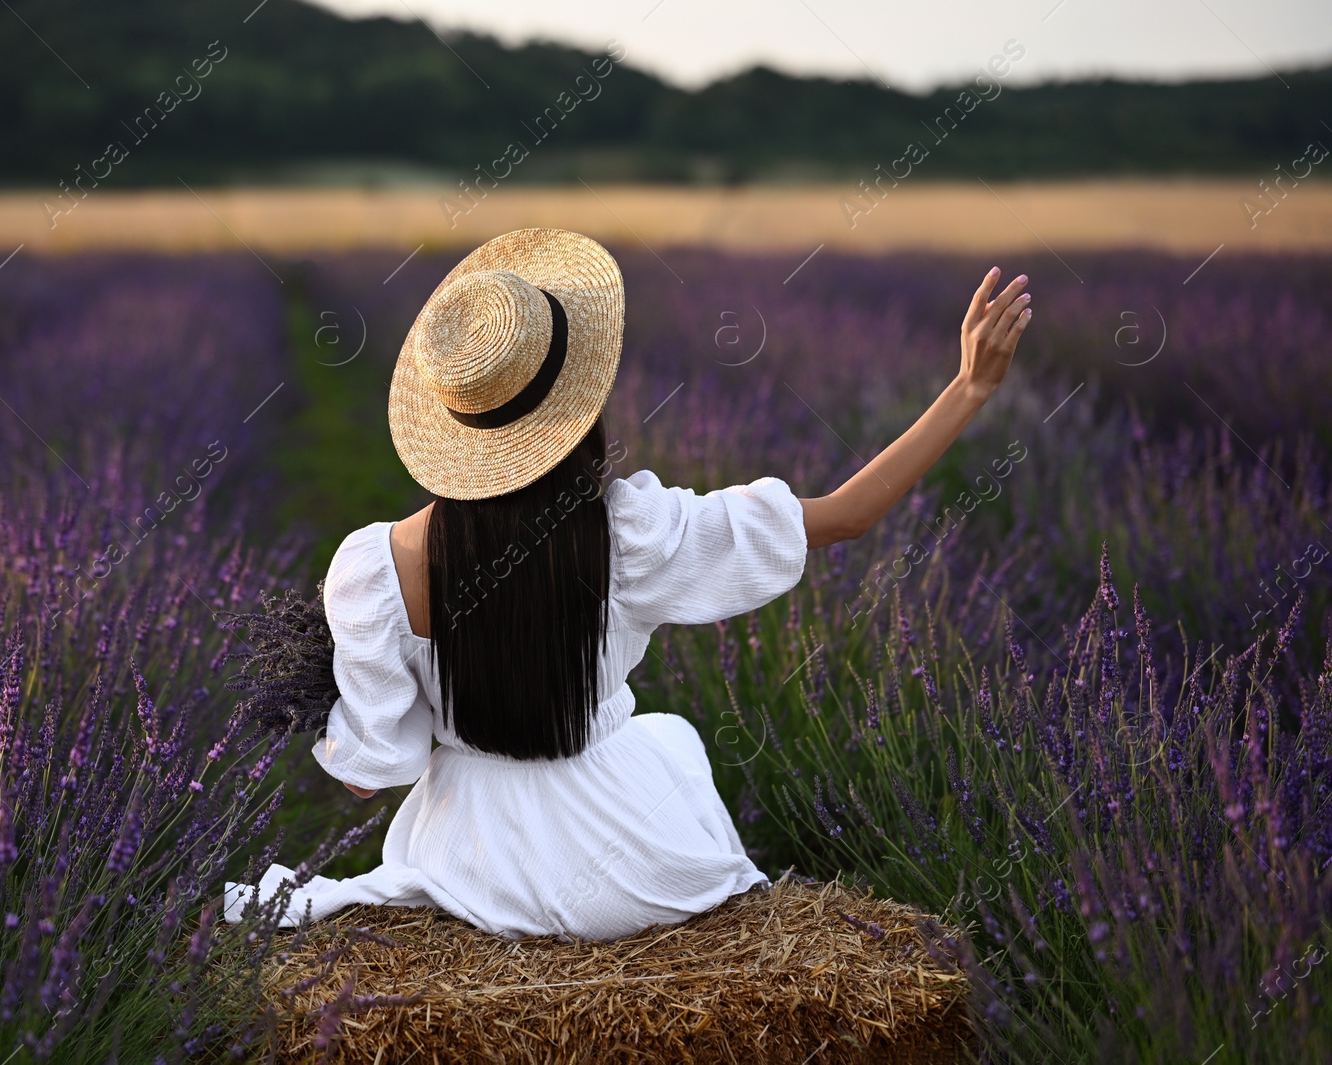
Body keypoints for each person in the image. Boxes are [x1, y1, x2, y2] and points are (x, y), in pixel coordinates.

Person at [223, 227, 1031, 941]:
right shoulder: (631, 532)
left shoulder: (371, 569)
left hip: (473, 874)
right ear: (574, 405)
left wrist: (332, 682)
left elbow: (378, 769)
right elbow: (846, 517)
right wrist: (970, 389)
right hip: (635, 870)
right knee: (671, 736)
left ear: (453, 417)